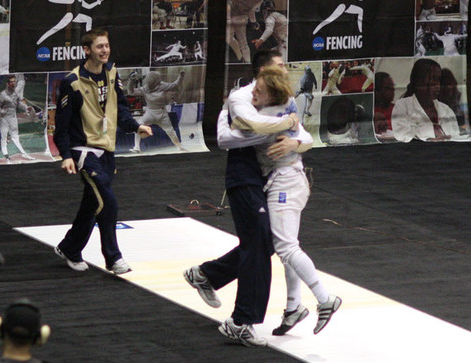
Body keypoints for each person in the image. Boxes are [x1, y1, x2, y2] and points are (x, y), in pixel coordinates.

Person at [183, 50, 297, 347]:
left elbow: (301, 135)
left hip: (267, 178)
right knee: (259, 241)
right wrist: (282, 127)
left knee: (266, 241)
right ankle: (242, 321)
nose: (284, 70)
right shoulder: (242, 98)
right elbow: (227, 138)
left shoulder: (282, 98)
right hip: (243, 176)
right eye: (278, 67)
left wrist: (294, 137)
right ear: (263, 71)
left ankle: (206, 274)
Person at [218, 64, 342, 335]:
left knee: (285, 247)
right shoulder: (284, 108)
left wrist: (293, 139)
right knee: (288, 246)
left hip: (285, 181)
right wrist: (293, 134)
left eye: (258, 93)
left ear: (271, 96)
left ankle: (325, 299)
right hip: (289, 178)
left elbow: (248, 125)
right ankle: (293, 306)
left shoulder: (272, 113)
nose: (253, 97)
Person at [52, 28, 152, 275]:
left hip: (106, 149)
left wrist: (136, 127)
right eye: (99, 46)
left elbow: (121, 109)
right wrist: (66, 156)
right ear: (87, 50)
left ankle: (70, 247)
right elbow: (61, 127)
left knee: (92, 204)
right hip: (83, 151)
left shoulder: (112, 73)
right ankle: (113, 258)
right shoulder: (72, 82)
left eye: (106, 45)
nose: (105, 50)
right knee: (107, 201)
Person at [391, 58, 460, 142]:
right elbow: (401, 135)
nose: (438, 85)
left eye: (439, 79)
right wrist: (430, 138)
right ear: (419, 80)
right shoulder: (402, 106)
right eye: (433, 78)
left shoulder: (446, 109)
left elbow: (456, 136)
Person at [130, 70, 186, 152]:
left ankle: (180, 146)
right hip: (150, 113)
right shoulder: (145, 89)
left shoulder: (162, 85)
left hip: (162, 114)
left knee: (171, 132)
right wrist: (131, 80)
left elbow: (175, 85)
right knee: (138, 126)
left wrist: (181, 76)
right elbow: (131, 92)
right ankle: (137, 147)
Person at [0, 75, 36, 162]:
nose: (13, 83)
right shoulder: (3, 95)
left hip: (13, 118)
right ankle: (6, 155)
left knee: (15, 136)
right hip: (4, 119)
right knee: (4, 137)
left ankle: (23, 153)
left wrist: (26, 108)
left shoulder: (15, 93)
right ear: (7, 84)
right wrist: (2, 112)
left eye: (14, 82)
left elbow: (18, 103)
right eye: (11, 82)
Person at [373, 71, 396, 140]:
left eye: (393, 87)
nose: (393, 90)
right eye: (388, 88)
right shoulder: (370, 111)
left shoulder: (399, 109)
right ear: (377, 91)